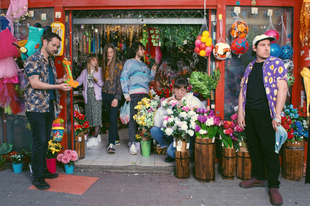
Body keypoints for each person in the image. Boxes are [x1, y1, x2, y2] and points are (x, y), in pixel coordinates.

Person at [237, 34, 288, 205]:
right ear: (254, 48)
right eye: (263, 45)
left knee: (270, 149)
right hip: (250, 113)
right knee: (254, 146)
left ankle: (274, 186)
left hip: (267, 113)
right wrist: (241, 113)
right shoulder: (250, 67)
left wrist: (277, 115)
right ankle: (259, 177)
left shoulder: (276, 64)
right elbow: (242, 90)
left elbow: (282, 89)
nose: (267, 48)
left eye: (268, 45)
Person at [24, 32, 72, 190]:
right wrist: (58, 87)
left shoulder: (50, 60)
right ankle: (37, 177)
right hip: (36, 107)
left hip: (49, 105)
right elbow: (36, 84)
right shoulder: (32, 60)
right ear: (44, 42)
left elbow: (47, 81)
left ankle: (43, 170)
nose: (55, 49)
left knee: (45, 140)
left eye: (57, 46)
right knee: (39, 141)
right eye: (53, 45)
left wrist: (60, 80)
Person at [151, 77, 206, 162]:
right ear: (173, 89)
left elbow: (204, 113)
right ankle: (171, 147)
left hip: (188, 136)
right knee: (154, 130)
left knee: (171, 153)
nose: (179, 93)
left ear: (186, 90)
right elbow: (157, 124)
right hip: (174, 135)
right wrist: (163, 107)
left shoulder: (193, 100)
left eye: (182, 90)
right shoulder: (170, 101)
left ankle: (190, 151)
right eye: (177, 90)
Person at [120, 42, 157, 155]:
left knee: (143, 121)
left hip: (144, 95)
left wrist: (153, 70)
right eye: (141, 49)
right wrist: (126, 94)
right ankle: (132, 143)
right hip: (134, 95)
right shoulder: (129, 63)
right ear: (136, 50)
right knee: (133, 120)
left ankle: (138, 142)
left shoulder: (145, 65)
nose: (143, 51)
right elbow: (124, 77)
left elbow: (149, 79)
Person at [76, 53, 103, 147]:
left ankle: (95, 137)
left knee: (96, 116)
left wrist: (97, 80)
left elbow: (103, 84)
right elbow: (78, 81)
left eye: (96, 60)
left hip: (96, 96)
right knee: (89, 116)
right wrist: (70, 82)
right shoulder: (84, 72)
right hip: (88, 96)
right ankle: (96, 136)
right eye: (93, 60)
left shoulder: (100, 70)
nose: (95, 62)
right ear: (89, 61)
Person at [102, 43, 123, 153]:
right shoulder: (105, 63)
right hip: (105, 94)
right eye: (108, 52)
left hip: (114, 95)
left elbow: (120, 82)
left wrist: (117, 97)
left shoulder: (118, 64)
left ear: (114, 53)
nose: (109, 54)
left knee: (113, 119)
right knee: (110, 118)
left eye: (111, 52)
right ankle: (117, 138)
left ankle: (111, 144)